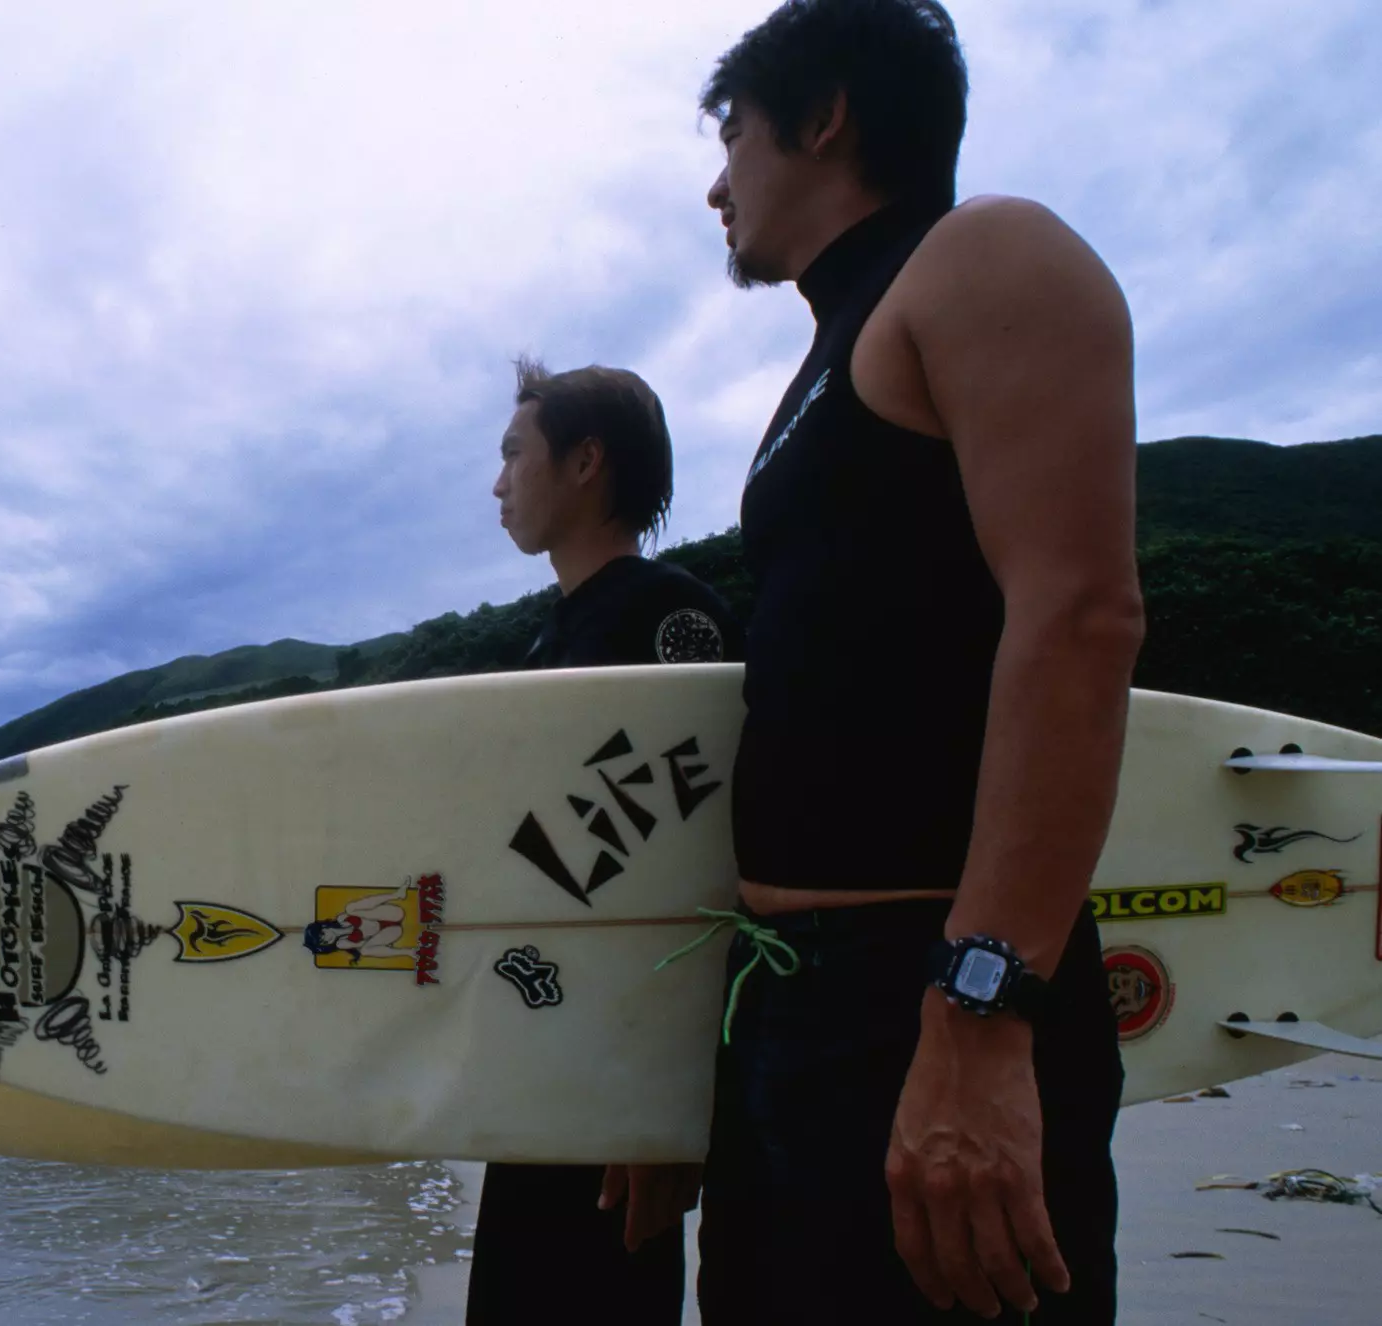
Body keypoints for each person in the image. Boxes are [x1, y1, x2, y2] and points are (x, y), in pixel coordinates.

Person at [692, 2, 1144, 1323]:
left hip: (925, 991)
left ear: (823, 116)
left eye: (732, 136)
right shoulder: (830, 355)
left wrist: (979, 1010)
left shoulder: (983, 255)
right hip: (783, 1004)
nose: (716, 184)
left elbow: (1079, 619)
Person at [466, 357, 739, 1323]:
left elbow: (701, 868)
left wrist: (662, 1106)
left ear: (586, 463)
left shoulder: (669, 620)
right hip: (546, 1048)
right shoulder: (556, 638)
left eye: (515, 454)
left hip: (616, 1078)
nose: (498, 483)